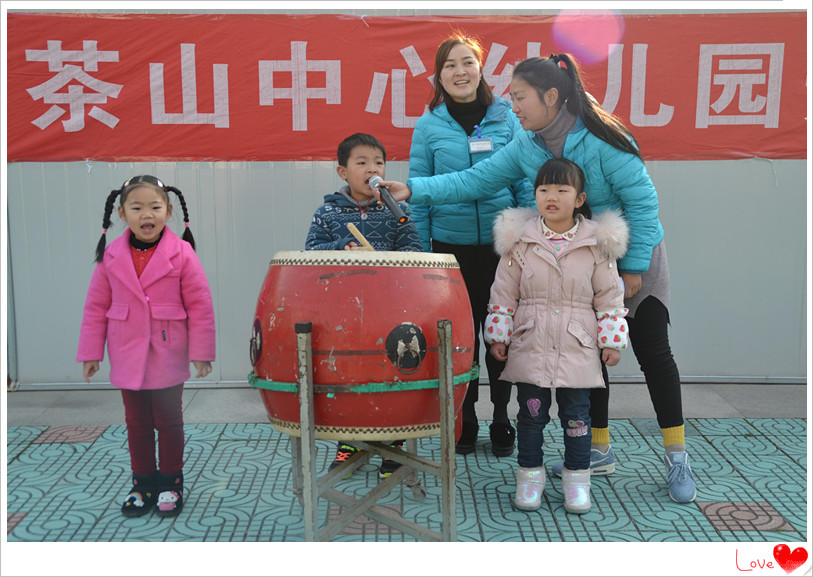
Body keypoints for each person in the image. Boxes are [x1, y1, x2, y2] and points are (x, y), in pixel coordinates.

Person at [378, 53, 697, 503]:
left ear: (551, 97)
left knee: (653, 353)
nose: (513, 106)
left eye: (520, 97)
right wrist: (415, 189)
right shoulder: (528, 144)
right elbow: (476, 179)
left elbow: (643, 204)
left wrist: (632, 268)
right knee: (587, 356)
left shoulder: (604, 138)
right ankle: (598, 449)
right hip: (576, 261)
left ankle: (677, 455)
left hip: (632, 260)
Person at [408, 33, 535, 457]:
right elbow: (419, 193)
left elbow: (524, 184)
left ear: (481, 69)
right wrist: (423, 258)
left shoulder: (507, 118)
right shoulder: (428, 125)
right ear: (439, 76)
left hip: (501, 251)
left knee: (500, 334)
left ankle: (501, 417)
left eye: (467, 62)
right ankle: (466, 418)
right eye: (450, 65)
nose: (459, 72)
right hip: (450, 252)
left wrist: (523, 241)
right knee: (461, 340)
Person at [486, 157, 629, 513]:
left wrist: (612, 340)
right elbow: (503, 293)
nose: (552, 197)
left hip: (577, 345)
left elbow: (610, 296)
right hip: (531, 342)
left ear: (579, 199)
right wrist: (499, 334)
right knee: (530, 416)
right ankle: (529, 478)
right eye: (544, 189)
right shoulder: (521, 242)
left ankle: (577, 480)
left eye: (562, 190)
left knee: (577, 417)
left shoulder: (596, 244)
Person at [77, 175, 216, 518]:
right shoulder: (111, 255)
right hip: (126, 352)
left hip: (168, 352)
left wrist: (201, 353)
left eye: (155, 207)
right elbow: (95, 307)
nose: (146, 214)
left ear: (168, 211)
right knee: (136, 423)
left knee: (168, 421)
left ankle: (171, 481)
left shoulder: (181, 253)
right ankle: (142, 483)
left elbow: (200, 305)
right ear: (122, 214)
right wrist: (91, 352)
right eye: (136, 207)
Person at [305, 132, 422, 479]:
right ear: (343, 172)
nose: (372, 169)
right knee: (348, 374)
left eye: (378, 162)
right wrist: (340, 246)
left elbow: (414, 251)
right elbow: (311, 251)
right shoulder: (326, 212)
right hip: (344, 314)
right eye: (362, 163)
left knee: (391, 374)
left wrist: (390, 261)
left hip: (390, 311)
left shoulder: (398, 210)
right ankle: (350, 442)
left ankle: (393, 443)